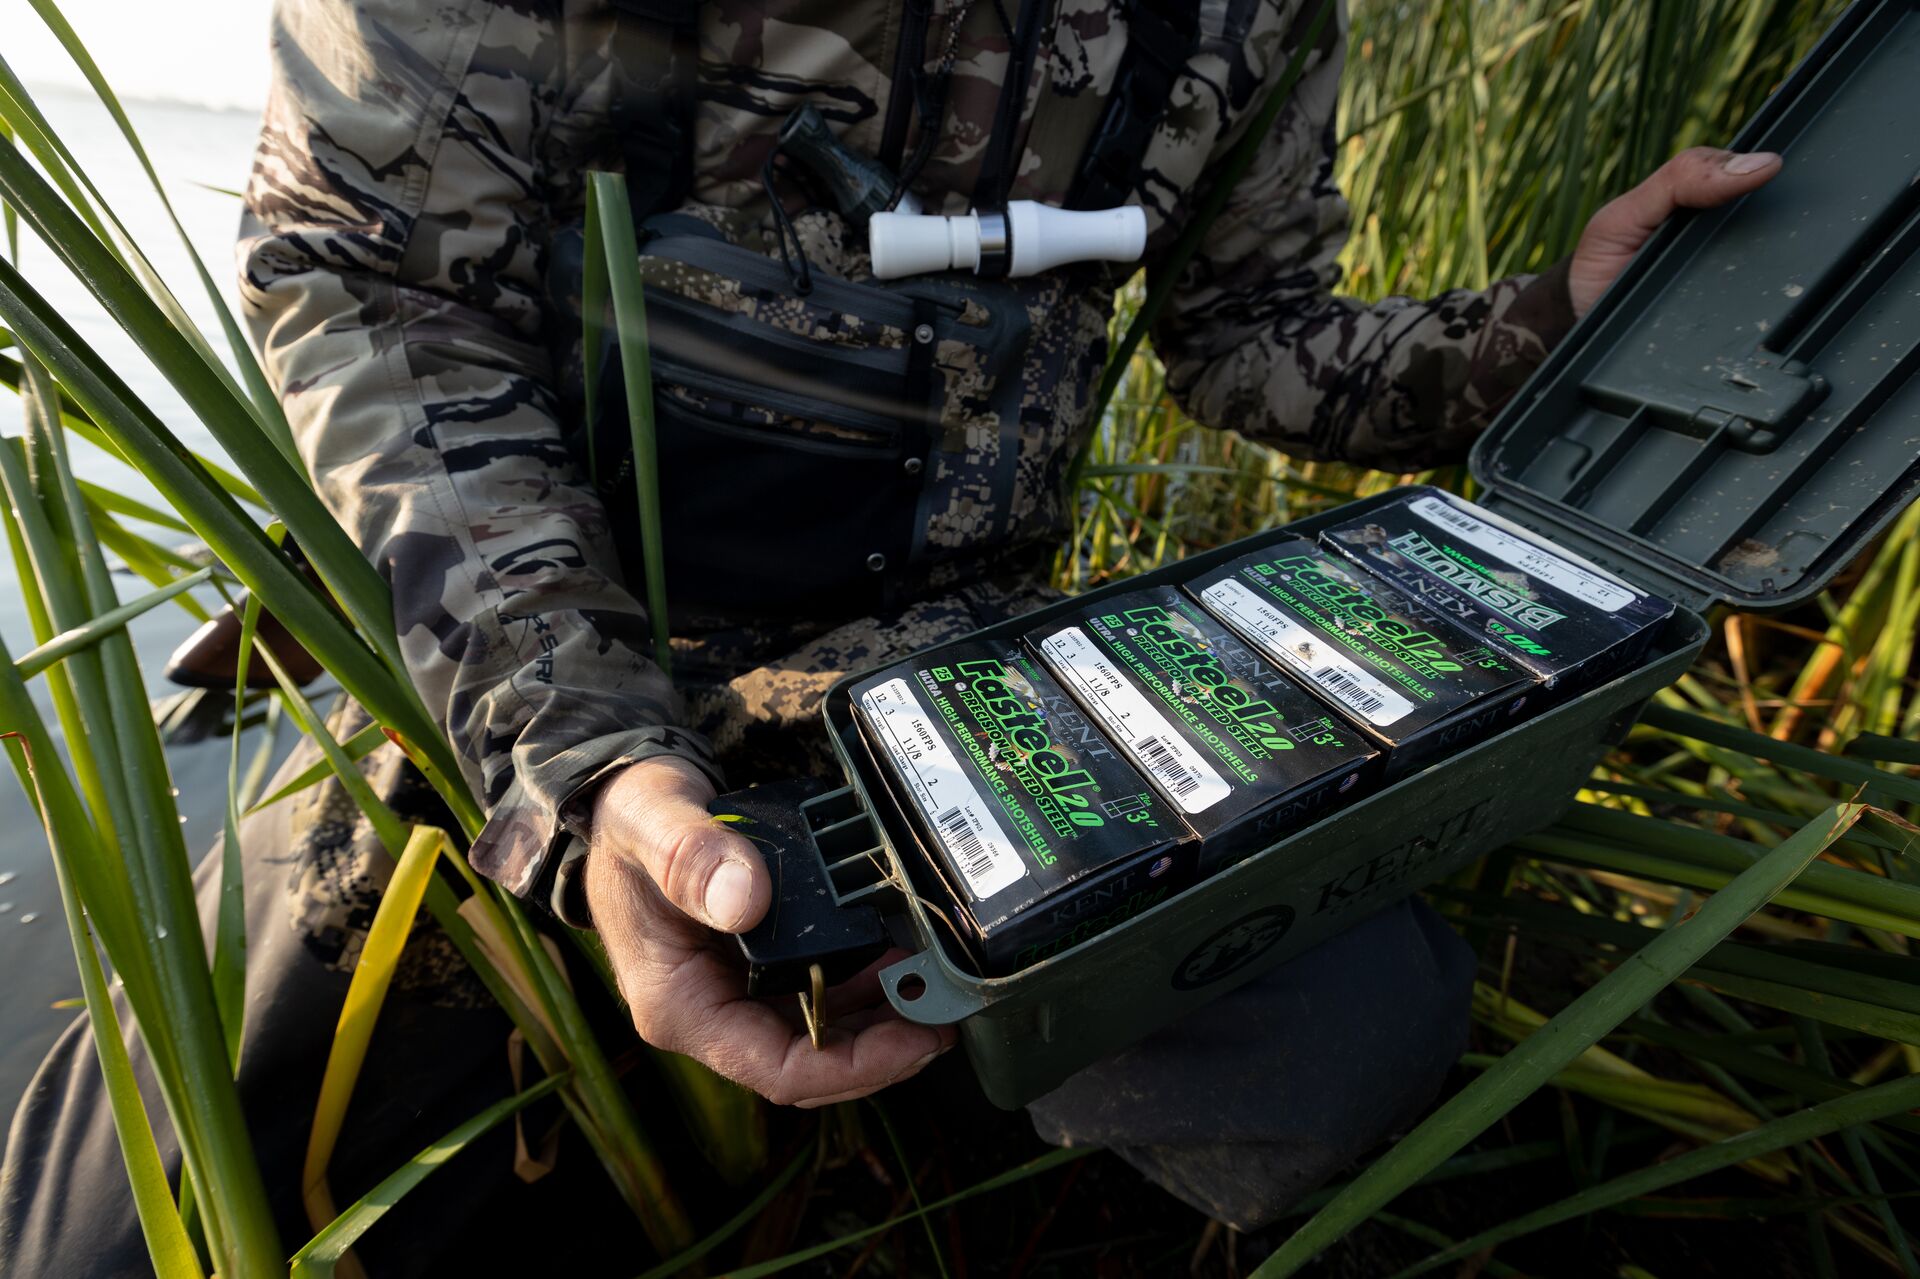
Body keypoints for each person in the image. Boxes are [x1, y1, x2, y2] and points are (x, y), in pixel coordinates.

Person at [0, 0, 1780, 1269]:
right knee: (109, 1227)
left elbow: (1253, 338)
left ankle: (910, 1088)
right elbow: (364, 276)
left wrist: (1555, 319)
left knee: (1337, 1038)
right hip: (532, 650)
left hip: (948, 670)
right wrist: (595, 763)